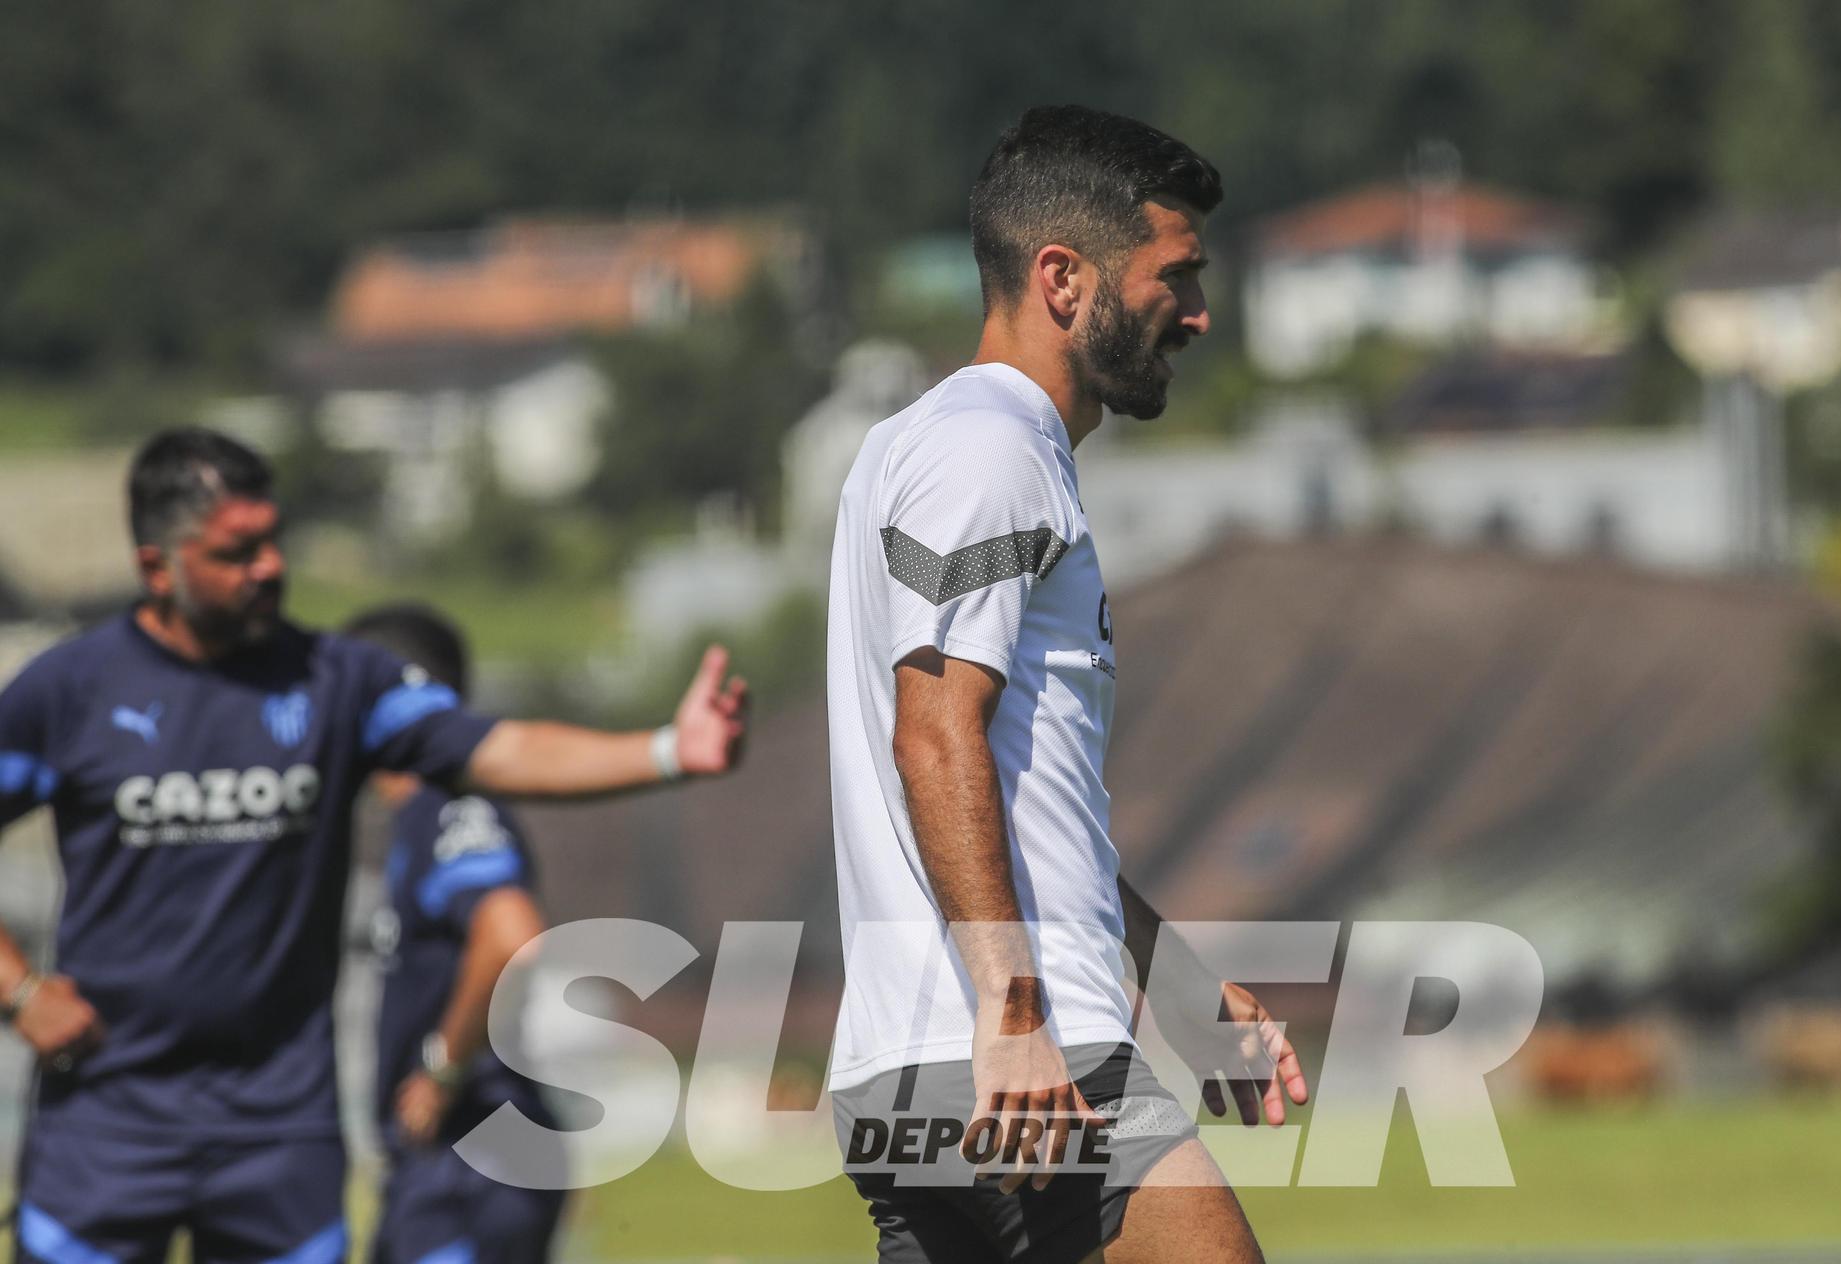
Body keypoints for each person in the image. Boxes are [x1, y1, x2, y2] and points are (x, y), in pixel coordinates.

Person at [0, 429, 747, 1264]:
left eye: (272, 540)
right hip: (109, 1116)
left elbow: (498, 749)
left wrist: (664, 751)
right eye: (235, 552)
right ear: (155, 566)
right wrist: (22, 992)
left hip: (278, 1125)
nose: (270, 567)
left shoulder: (336, 679)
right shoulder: (67, 692)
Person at [825, 104, 1305, 1264]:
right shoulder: (989, 449)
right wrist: (1011, 1013)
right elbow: (933, 737)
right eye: (1172, 277)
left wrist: (1175, 984)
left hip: (923, 1066)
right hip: (1010, 1055)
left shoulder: (935, 446)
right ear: (1062, 277)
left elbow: (1021, 801)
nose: (1194, 314)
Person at [344, 604, 568, 1264]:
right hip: (458, 1156)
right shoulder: (416, 818)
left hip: (472, 1151)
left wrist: (441, 1068)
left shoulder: (450, 807)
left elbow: (511, 931)